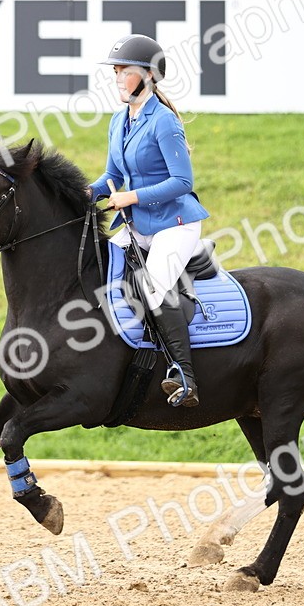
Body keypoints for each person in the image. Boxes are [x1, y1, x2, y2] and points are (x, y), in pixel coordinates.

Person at [88, 34, 209, 407]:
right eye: (116, 71)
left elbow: (183, 181)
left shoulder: (164, 122)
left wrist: (131, 197)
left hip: (175, 224)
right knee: (104, 269)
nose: (117, 77)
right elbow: (112, 174)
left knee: (155, 286)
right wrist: (84, 194)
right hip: (139, 226)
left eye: (124, 71)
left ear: (149, 76)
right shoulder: (118, 120)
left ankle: (185, 376)